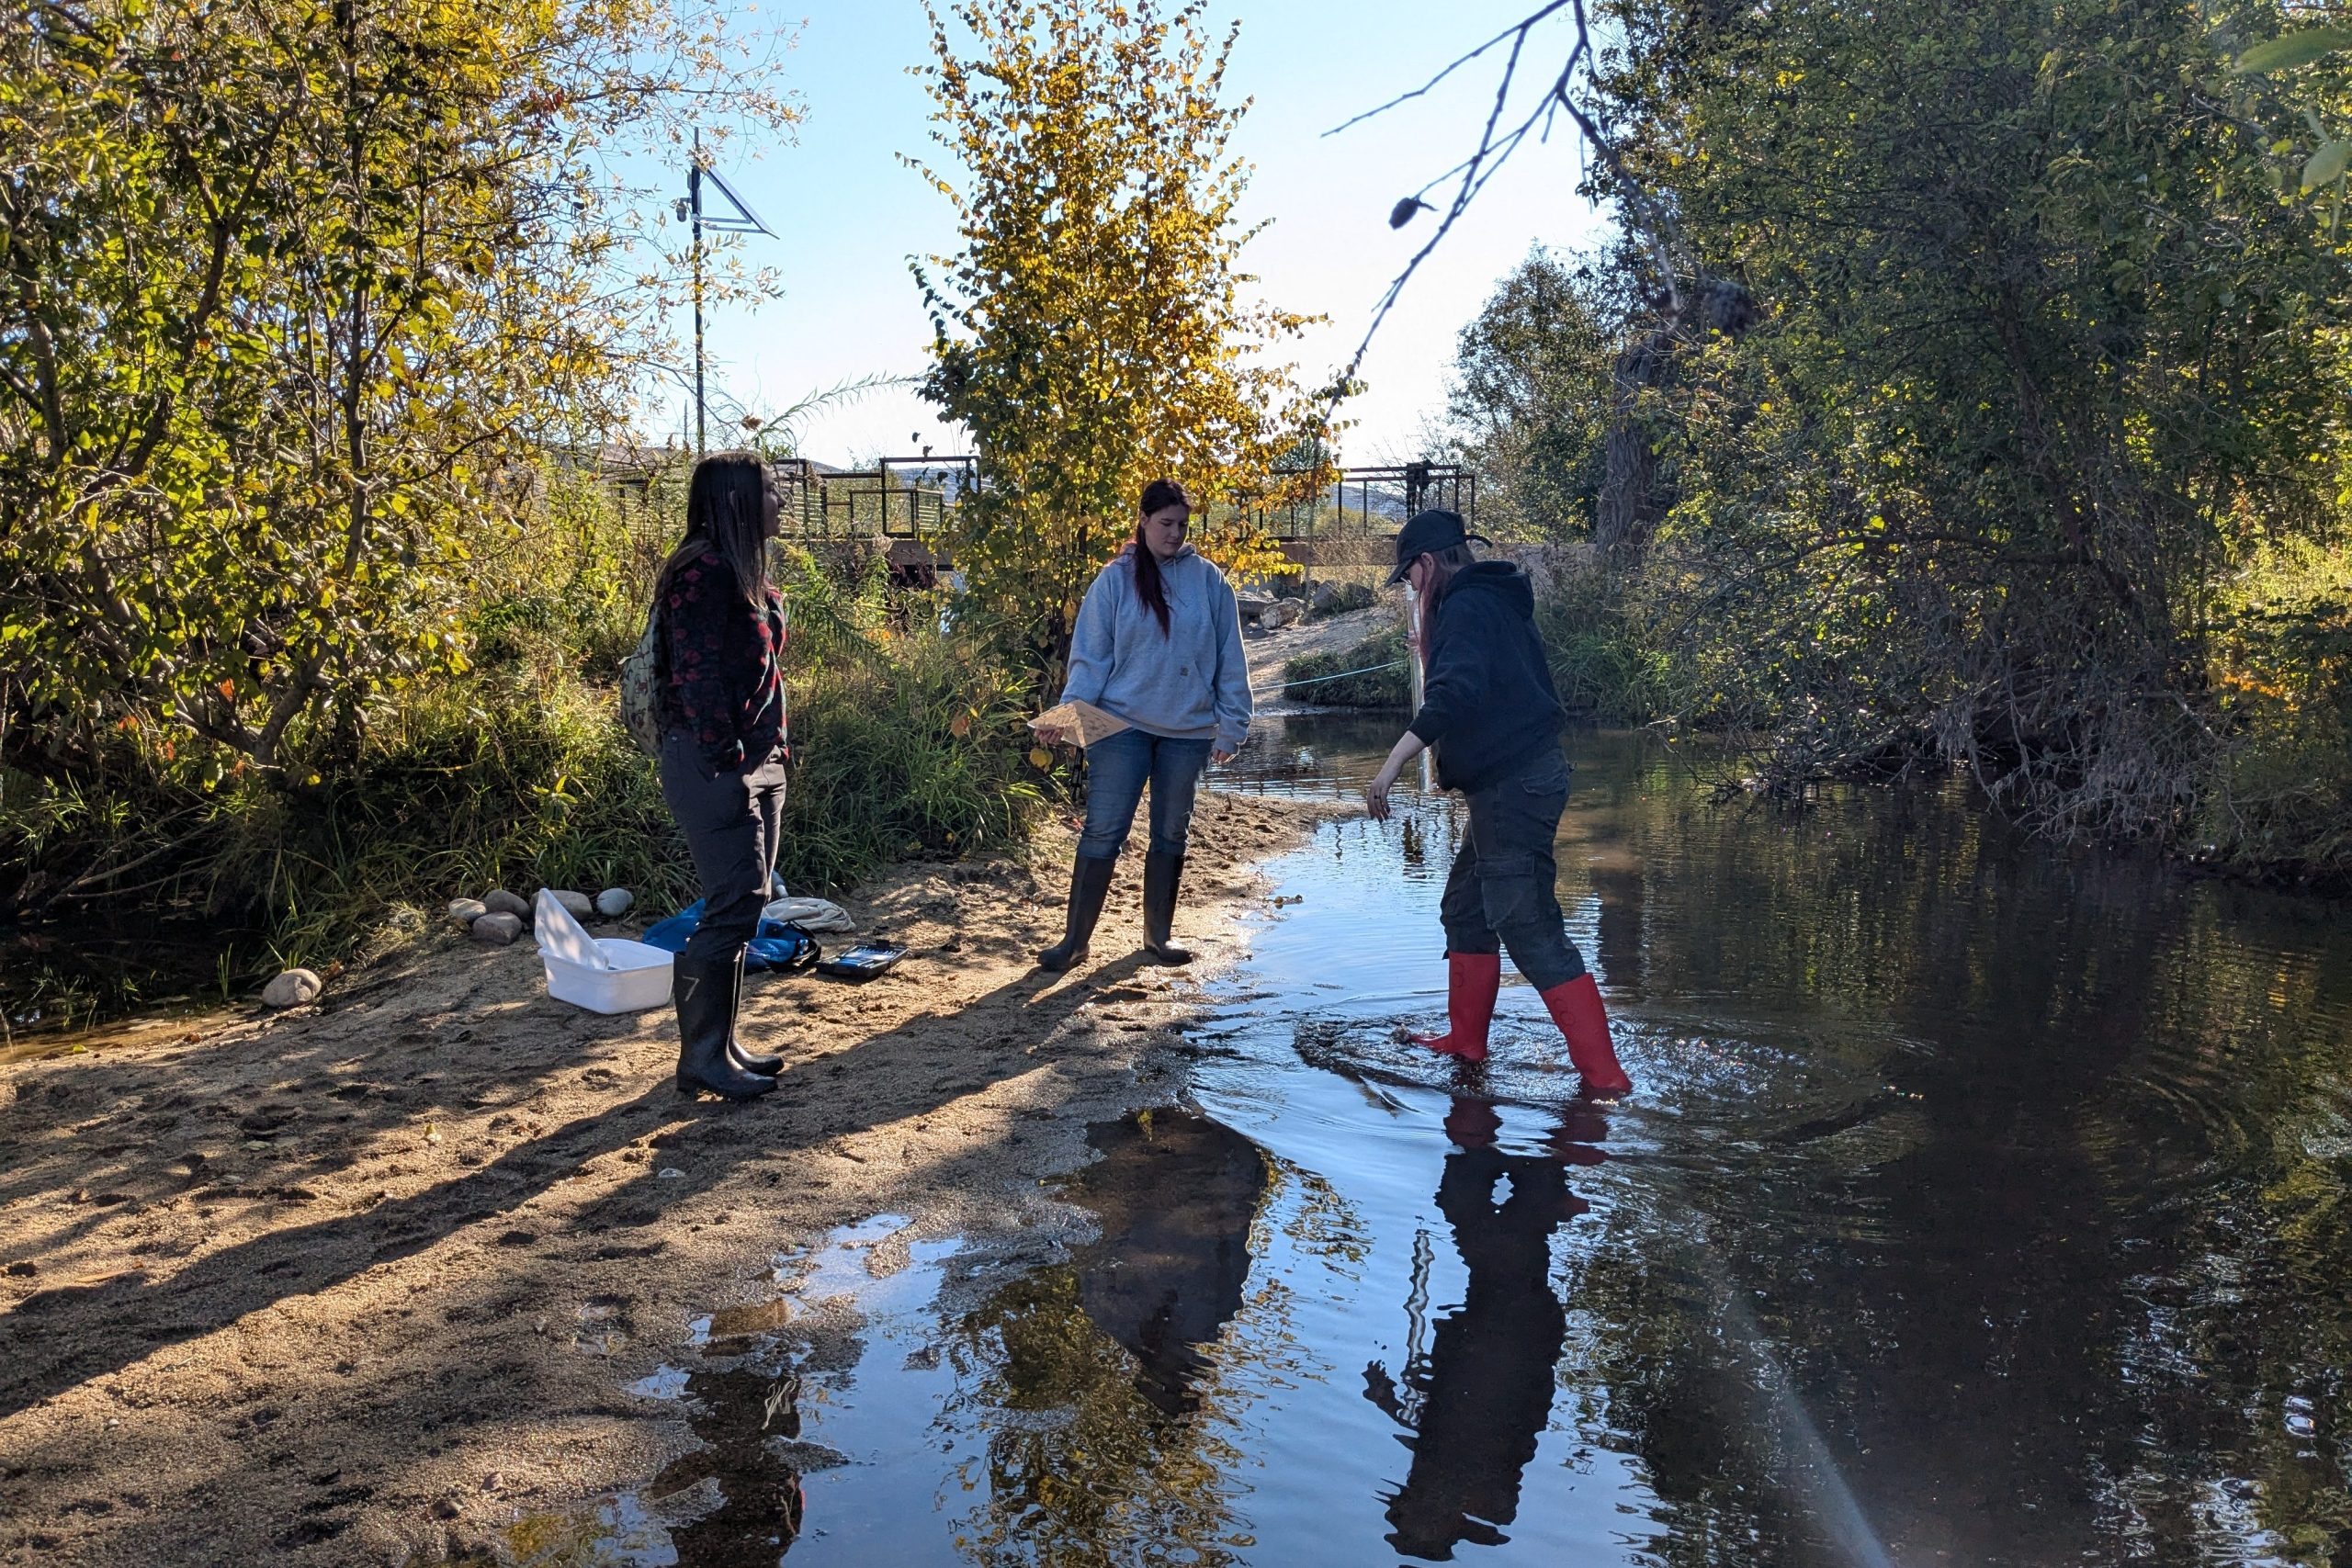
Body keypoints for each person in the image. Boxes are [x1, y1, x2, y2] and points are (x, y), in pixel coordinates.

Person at [1363, 509, 1633, 1095]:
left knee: (1525, 922)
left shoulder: (1465, 606)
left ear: (1427, 564)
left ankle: (1605, 1078)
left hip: (1517, 787)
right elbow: (1486, 682)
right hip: (1511, 782)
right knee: (1466, 909)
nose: (1409, 587)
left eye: (1408, 576)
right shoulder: (1487, 599)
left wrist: (1391, 765)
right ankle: (1466, 1041)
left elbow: (1456, 695)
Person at [1035, 478, 1251, 971]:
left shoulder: (1210, 582)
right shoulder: (1114, 580)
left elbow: (1229, 658)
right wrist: (1067, 716)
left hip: (1188, 731)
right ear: (1144, 521)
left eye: (1181, 525)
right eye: (1165, 524)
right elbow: (1090, 659)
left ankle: (1157, 940)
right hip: (1120, 726)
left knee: (1171, 834)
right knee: (1102, 831)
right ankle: (1074, 944)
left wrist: (1231, 725)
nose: (1174, 534)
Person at [652, 451, 788, 1100]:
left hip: (753, 760)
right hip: (715, 764)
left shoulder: (740, 570)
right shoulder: (700, 572)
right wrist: (731, 759)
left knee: (747, 903)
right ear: (735, 499)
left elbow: (757, 673)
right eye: (769, 488)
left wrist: (774, 749)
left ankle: (720, 1044)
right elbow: (697, 678)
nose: (781, 498)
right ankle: (700, 1057)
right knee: (733, 901)